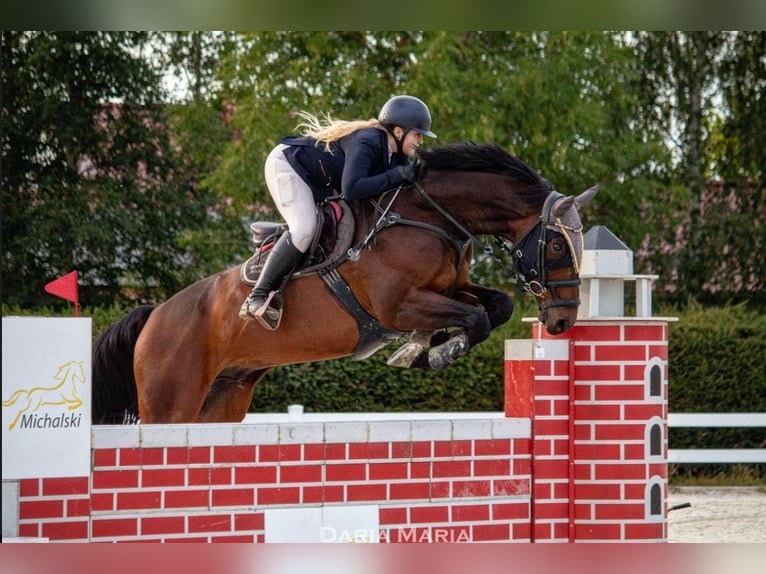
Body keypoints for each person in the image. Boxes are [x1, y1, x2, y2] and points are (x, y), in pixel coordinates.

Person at [239, 94, 438, 330]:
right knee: (304, 228)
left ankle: (285, 248)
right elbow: (352, 189)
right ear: (398, 131)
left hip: (315, 180)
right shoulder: (369, 141)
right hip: (287, 166)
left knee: (317, 227)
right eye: (417, 134)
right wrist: (397, 176)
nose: (420, 141)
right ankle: (256, 297)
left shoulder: (394, 156)